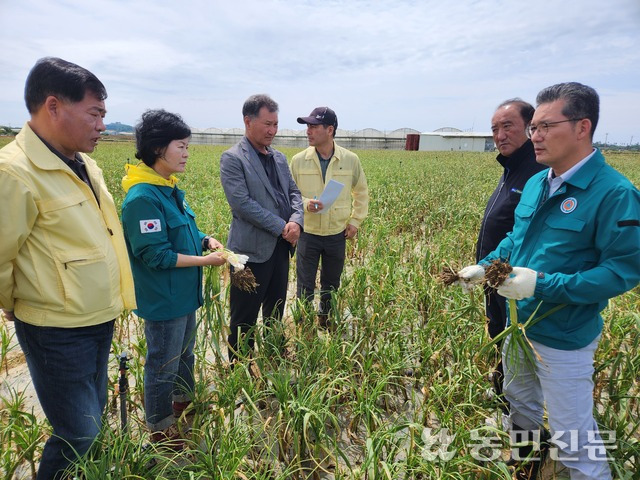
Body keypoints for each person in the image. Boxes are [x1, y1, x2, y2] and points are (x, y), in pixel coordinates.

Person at [458, 82, 640, 479]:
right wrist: (486, 265)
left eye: (544, 127)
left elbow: (621, 272)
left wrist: (543, 286)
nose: (534, 136)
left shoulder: (614, 193)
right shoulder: (540, 182)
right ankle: (526, 463)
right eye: (534, 128)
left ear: (581, 127)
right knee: (519, 402)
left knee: (573, 437)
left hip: (564, 336)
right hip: (518, 326)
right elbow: (515, 240)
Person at [0, 57, 136, 479]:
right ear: (53, 106)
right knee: (80, 433)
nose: (102, 126)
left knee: (90, 418)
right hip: (56, 327)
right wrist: (13, 302)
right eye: (95, 114)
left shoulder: (83, 162)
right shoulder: (14, 172)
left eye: (104, 116)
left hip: (96, 315)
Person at [121, 109, 225, 445]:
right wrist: (205, 260)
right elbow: (155, 255)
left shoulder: (167, 189)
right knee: (162, 365)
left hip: (183, 295)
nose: (186, 152)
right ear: (157, 149)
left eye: (187, 146)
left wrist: (206, 240)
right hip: (164, 300)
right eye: (180, 146)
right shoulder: (142, 198)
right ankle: (160, 426)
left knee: (185, 356)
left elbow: (184, 234)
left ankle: (183, 402)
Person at [220, 94, 303, 362]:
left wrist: (296, 220)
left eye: (276, 124)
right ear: (248, 121)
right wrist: (282, 226)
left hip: (280, 248)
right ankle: (240, 369)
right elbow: (242, 204)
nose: (272, 131)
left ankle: (274, 359)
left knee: (276, 308)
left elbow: (293, 192)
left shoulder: (279, 158)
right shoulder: (233, 158)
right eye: (267, 124)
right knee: (244, 316)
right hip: (248, 254)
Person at [477, 99, 545, 405]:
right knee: (497, 331)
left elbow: (525, 236)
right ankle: (503, 394)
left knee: (512, 338)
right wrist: (484, 266)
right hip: (496, 273)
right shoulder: (512, 167)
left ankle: (515, 404)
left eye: (508, 127)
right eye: (495, 129)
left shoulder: (537, 171)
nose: (500, 135)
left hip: (515, 281)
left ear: (529, 129)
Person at [290, 107, 369, 328]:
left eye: (314, 127)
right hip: (309, 233)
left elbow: (361, 192)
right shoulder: (298, 160)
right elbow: (289, 194)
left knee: (331, 284)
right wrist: (306, 204)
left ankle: (326, 322)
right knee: (304, 284)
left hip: (337, 234)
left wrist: (355, 221)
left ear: (330, 130)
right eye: (307, 126)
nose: (308, 131)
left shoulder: (350, 159)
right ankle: (304, 326)